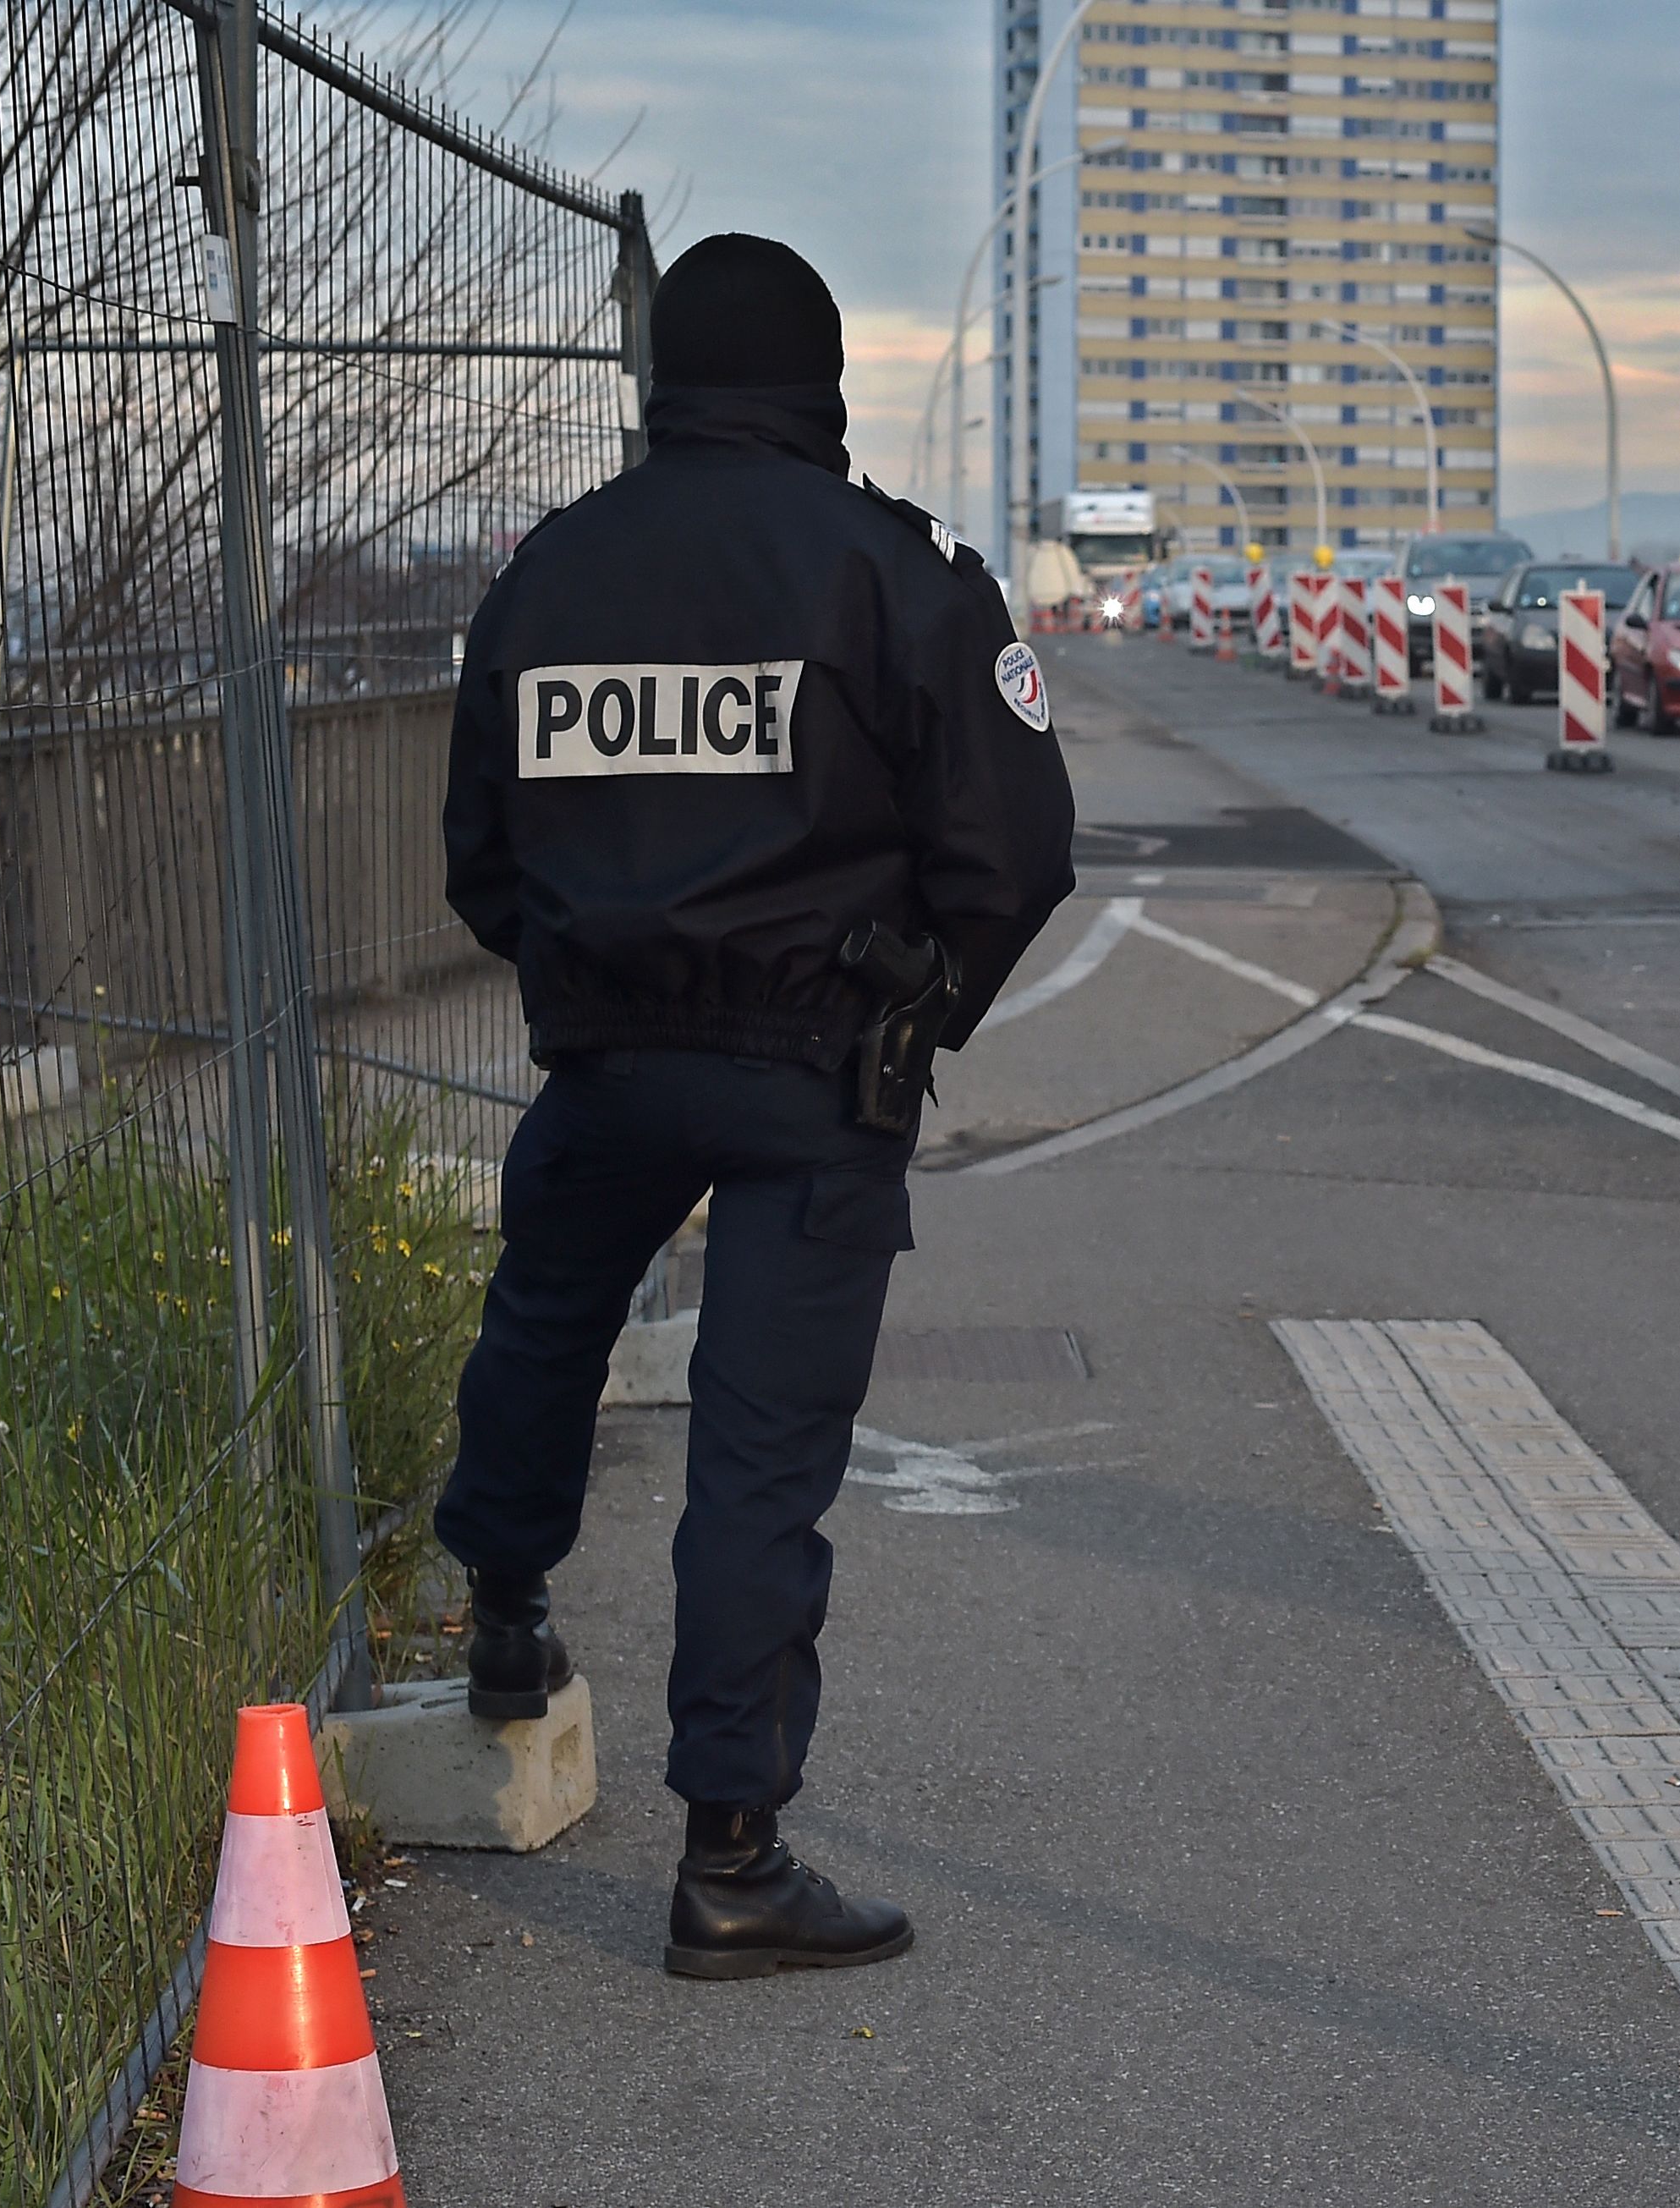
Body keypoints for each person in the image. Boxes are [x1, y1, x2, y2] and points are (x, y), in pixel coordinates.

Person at [434, 233, 1075, 1980]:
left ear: (658, 381)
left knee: (542, 1335)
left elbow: (478, 859)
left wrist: (589, 975)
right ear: (822, 381)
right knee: (757, 1459)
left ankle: (503, 1621)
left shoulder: (549, 575)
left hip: (606, 1066)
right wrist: (916, 1008)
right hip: (813, 1079)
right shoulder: (893, 568)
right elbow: (1017, 849)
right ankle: (730, 1858)